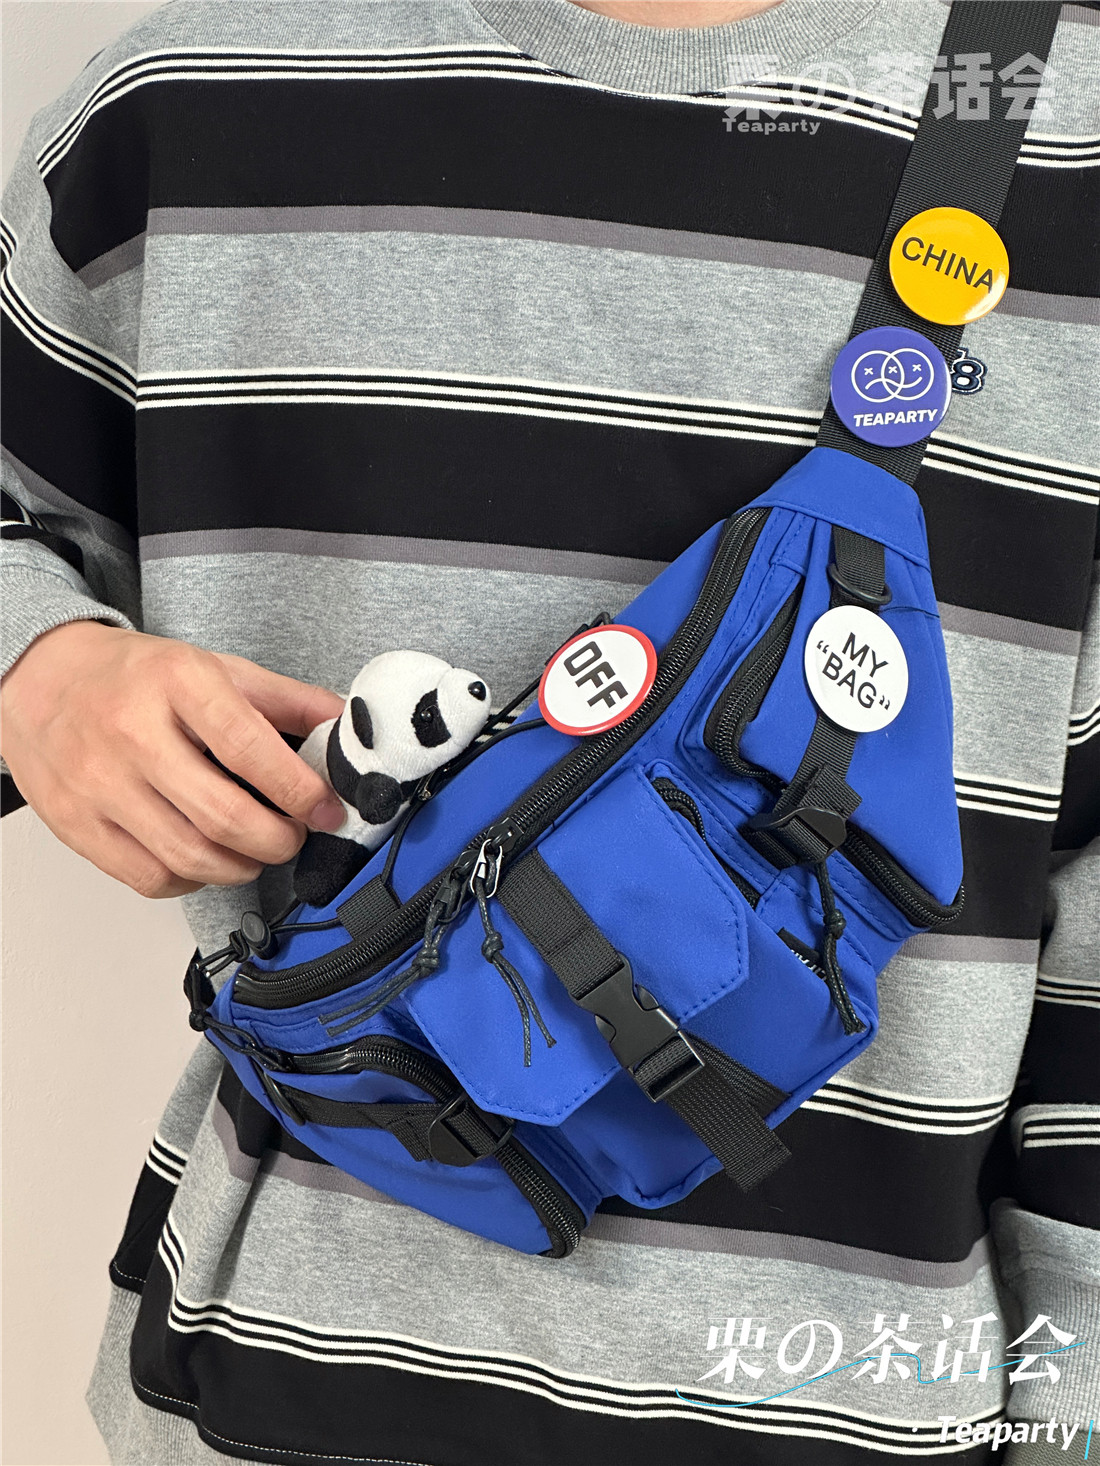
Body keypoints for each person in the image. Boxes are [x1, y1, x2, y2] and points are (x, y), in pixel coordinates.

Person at [2, 1, 1097, 1462]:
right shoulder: (189, 101)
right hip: (278, 1387)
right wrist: (39, 672)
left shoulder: (1064, 122)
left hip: (867, 1398)